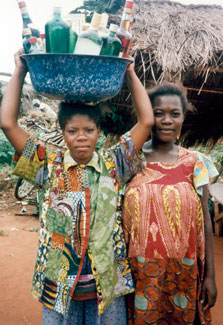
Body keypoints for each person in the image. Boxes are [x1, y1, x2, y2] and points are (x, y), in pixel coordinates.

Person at [0, 49, 154, 324]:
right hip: (59, 285)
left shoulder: (114, 163)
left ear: (99, 132)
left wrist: (129, 72)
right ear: (63, 133)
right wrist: (20, 70)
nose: (81, 138)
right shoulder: (48, 166)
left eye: (89, 130)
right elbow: (7, 124)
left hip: (107, 285)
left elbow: (147, 122)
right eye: (73, 131)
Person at [122, 82, 218, 324]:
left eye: (174, 114)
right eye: (158, 113)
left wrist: (210, 277)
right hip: (138, 273)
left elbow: (206, 224)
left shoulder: (196, 162)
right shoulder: (128, 160)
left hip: (184, 272)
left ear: (183, 118)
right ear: (146, 115)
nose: (166, 120)